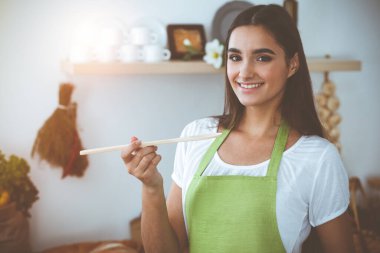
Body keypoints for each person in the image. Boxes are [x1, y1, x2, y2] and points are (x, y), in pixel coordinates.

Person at [121, 4, 354, 253]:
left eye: (262, 57)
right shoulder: (195, 136)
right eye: (235, 57)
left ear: (293, 64)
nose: (244, 72)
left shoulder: (318, 158)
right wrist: (151, 187)